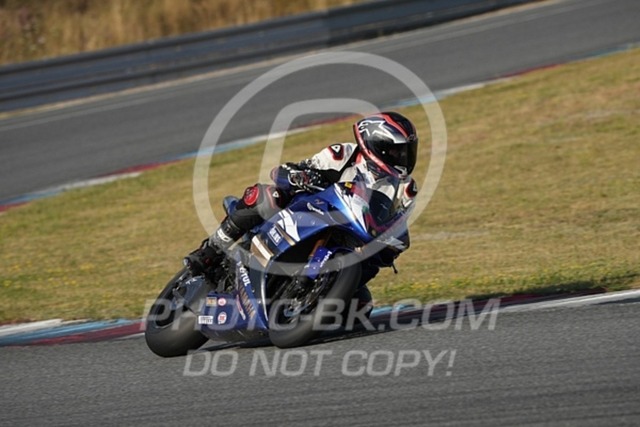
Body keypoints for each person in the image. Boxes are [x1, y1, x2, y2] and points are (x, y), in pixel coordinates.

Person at [184, 111, 419, 306]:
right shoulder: (343, 154)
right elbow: (287, 170)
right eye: (397, 150)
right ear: (375, 145)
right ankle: (211, 250)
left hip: (352, 241)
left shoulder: (405, 189)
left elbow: (399, 225)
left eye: (406, 151)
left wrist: (393, 242)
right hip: (307, 214)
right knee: (268, 196)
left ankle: (303, 304)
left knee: (361, 305)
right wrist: (300, 176)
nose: (403, 157)